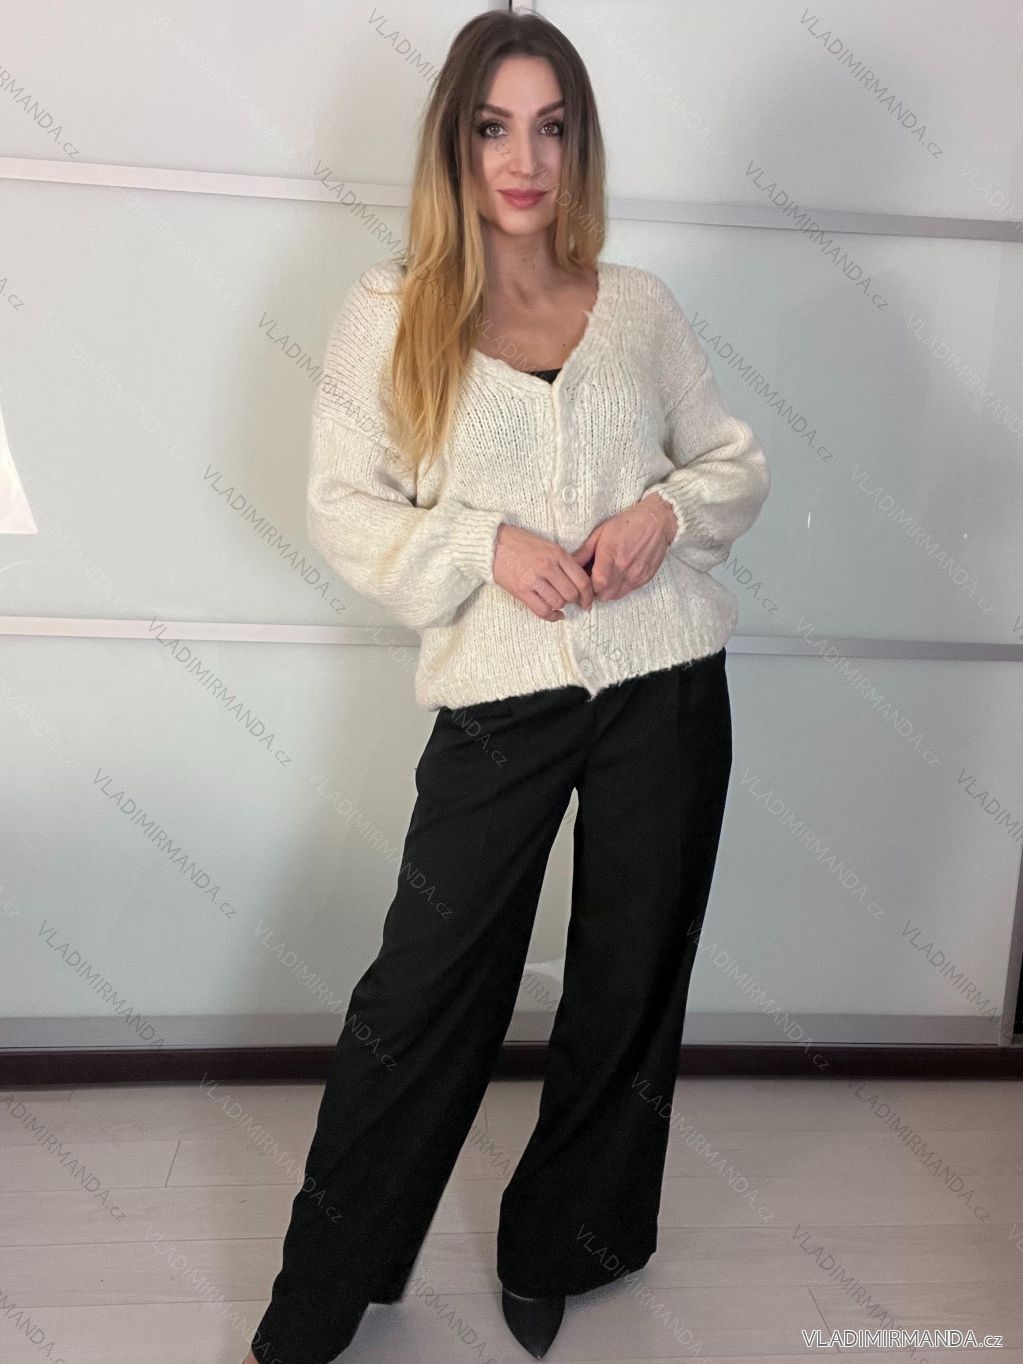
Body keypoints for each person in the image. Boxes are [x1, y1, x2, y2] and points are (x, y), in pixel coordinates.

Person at [244, 10, 769, 1363]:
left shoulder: (636, 307)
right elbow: (345, 507)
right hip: (498, 699)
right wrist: (485, 544)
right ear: (455, 143)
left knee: (629, 975)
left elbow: (733, 461)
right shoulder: (392, 311)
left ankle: (562, 1248)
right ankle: (321, 1299)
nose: (524, 160)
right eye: (494, 128)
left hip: (666, 679)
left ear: (578, 146)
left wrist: (665, 514)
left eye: (551, 128)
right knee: (423, 991)